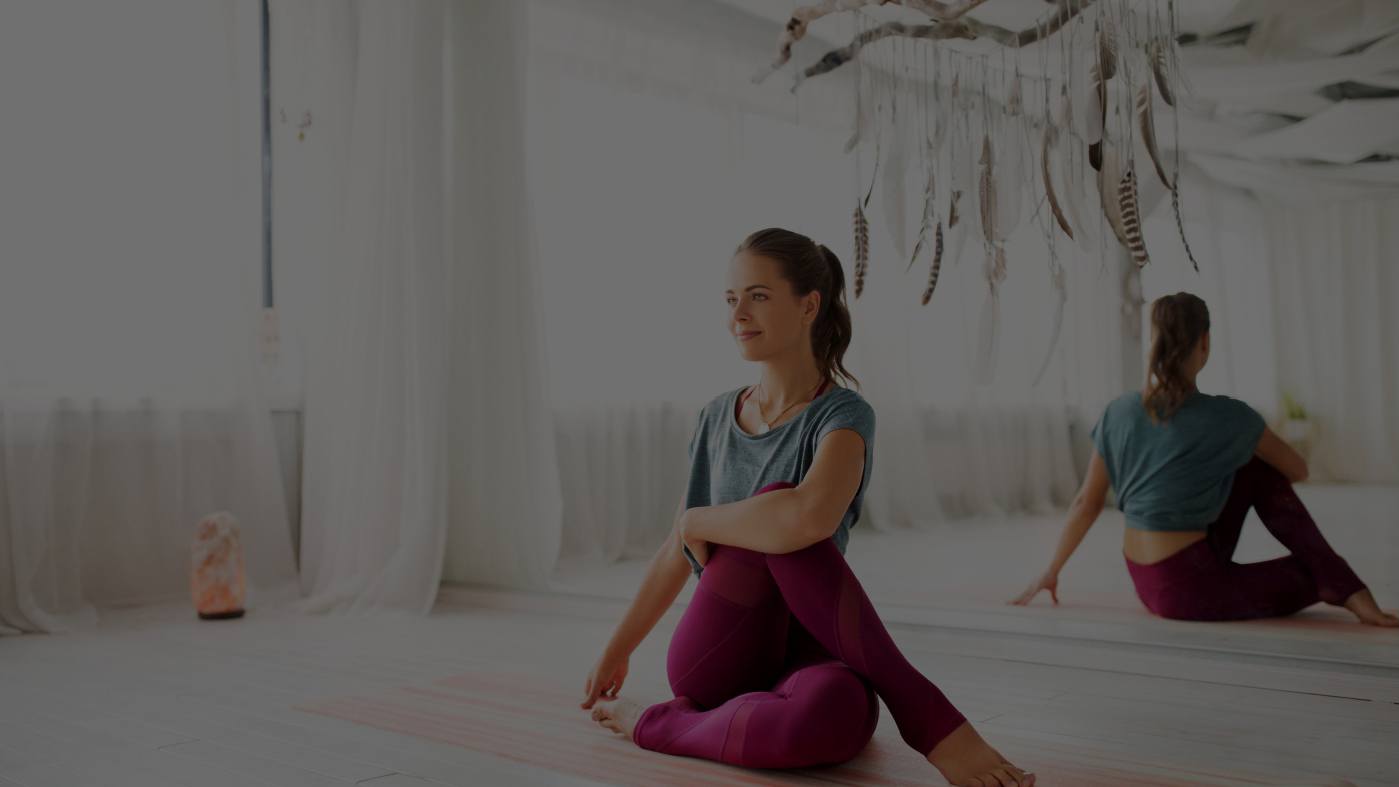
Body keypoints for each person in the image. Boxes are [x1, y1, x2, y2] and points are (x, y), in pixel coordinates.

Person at [581, 228, 1034, 786]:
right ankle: (930, 719)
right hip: (722, 650)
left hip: (814, 652)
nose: (738, 314)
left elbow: (811, 518)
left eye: (758, 296)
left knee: (837, 721)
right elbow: (674, 555)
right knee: (774, 514)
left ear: (809, 306)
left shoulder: (842, 415)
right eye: (731, 299)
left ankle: (697, 727)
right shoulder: (716, 417)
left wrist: (696, 521)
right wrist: (616, 649)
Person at [1012, 292, 1397, 627]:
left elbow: (1086, 502)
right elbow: (1298, 470)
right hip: (1188, 590)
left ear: (1155, 341)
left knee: (1248, 469)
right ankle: (1351, 590)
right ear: (1205, 343)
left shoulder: (1119, 410)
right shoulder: (1231, 417)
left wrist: (1051, 570)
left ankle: (1343, 584)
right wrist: (1228, 453)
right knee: (1311, 569)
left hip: (1144, 580)